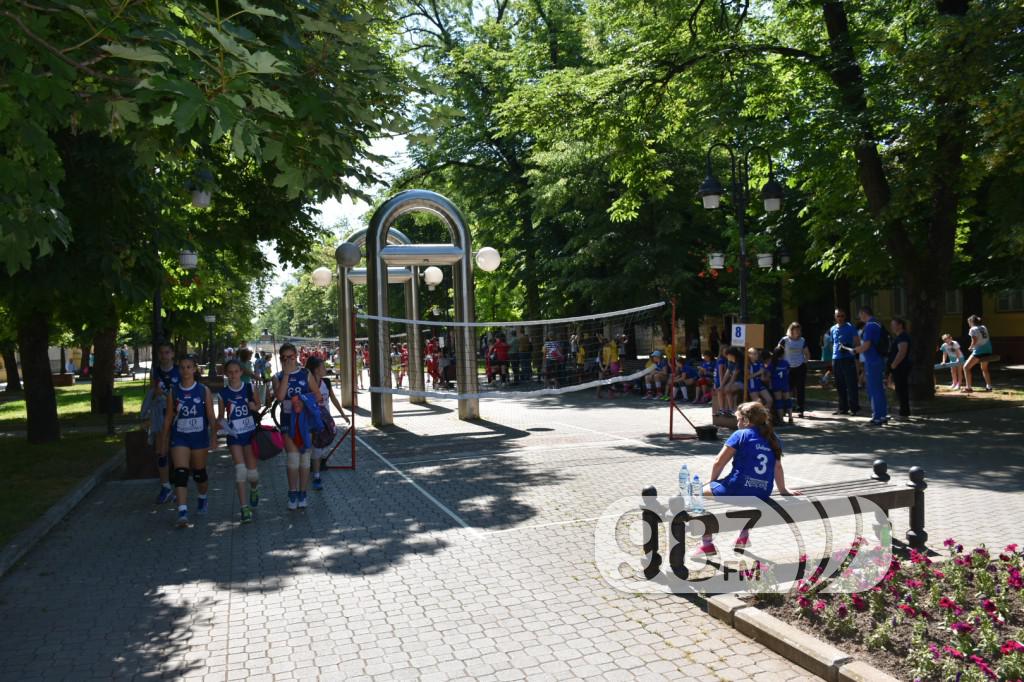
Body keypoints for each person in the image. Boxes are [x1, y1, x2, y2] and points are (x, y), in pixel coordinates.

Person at [692, 401, 801, 557]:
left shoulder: (740, 435)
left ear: (746, 421)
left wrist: (711, 482)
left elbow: (718, 462)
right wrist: (783, 490)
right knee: (750, 502)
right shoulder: (773, 437)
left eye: (738, 419)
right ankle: (743, 537)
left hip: (737, 488)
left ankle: (707, 544)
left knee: (697, 493)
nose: (737, 423)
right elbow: (777, 467)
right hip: (763, 492)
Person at [159, 354, 217, 528]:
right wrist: (163, 441)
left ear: (194, 369)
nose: (185, 371)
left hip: (199, 437)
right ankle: (182, 513)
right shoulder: (173, 391)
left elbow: (211, 417)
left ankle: (202, 497)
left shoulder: (203, 390)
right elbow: (168, 418)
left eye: (188, 367)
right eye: (182, 367)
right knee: (181, 473)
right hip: (180, 437)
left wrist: (214, 437)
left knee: (199, 474)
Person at [273, 343, 315, 510]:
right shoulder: (277, 376)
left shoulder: (306, 373)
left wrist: (304, 401)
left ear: (296, 356)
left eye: (291, 357)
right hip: (287, 421)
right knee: (293, 458)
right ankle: (292, 492)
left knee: (304, 458)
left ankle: (303, 493)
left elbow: (317, 396)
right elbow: (280, 396)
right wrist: (287, 375)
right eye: (284, 358)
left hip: (305, 421)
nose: (288, 360)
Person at [218, 359, 261, 523]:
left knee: (252, 474)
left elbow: (258, 405)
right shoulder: (223, 394)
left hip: (250, 434)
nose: (233, 375)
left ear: (241, 372)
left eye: (236, 371)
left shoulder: (250, 387)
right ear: (226, 374)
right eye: (230, 372)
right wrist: (220, 427)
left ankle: (254, 489)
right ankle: (244, 508)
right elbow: (221, 417)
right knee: (240, 470)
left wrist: (254, 406)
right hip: (234, 436)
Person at [305, 356, 349, 491]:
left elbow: (334, 399)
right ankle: (316, 476)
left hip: (326, 420)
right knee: (315, 448)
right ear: (316, 369)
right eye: (323, 367)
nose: (325, 369)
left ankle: (315, 463)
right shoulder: (307, 384)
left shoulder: (326, 382)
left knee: (323, 445)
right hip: (313, 420)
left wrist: (343, 414)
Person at [854, 306, 887, 426]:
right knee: (880, 389)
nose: (859, 317)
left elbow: (866, 345)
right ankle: (883, 415)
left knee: (873, 390)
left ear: (863, 313)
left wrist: (855, 350)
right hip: (878, 359)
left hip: (872, 361)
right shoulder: (877, 324)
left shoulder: (869, 326)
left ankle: (876, 417)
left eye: (859, 314)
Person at [829, 309, 860, 416]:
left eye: (842, 316)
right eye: (838, 316)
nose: (840, 318)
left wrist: (848, 346)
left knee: (851, 384)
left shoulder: (851, 327)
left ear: (845, 316)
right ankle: (842, 408)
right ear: (835, 317)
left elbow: (857, 342)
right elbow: (833, 343)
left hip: (848, 358)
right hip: (836, 359)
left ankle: (854, 408)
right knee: (839, 384)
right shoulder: (832, 329)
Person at [779, 323, 810, 417]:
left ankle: (801, 409)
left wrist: (805, 361)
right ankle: (785, 409)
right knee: (787, 389)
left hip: (800, 367)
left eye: (798, 330)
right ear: (791, 330)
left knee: (800, 389)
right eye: (795, 329)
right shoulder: (785, 340)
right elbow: (778, 351)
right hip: (787, 368)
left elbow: (807, 353)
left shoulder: (802, 340)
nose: (797, 331)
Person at [962, 314, 994, 393]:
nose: (969, 324)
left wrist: (970, 347)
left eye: (969, 322)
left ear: (971, 322)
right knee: (984, 369)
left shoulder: (972, 329)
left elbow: (974, 340)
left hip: (980, 351)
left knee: (966, 367)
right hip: (988, 350)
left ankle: (968, 388)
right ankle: (989, 387)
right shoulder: (983, 327)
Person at [889, 318, 911, 419]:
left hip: (901, 367)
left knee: (902, 390)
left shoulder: (903, 337)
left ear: (900, 325)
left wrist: (894, 364)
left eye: (894, 325)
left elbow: (902, 352)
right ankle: (903, 412)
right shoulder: (899, 337)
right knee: (900, 389)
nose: (892, 327)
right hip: (899, 367)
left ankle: (904, 413)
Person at [768, 346, 792, 425]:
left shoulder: (772, 363)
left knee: (779, 401)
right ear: (783, 354)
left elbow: (769, 375)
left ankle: (781, 419)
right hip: (785, 384)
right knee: (787, 400)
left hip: (776, 384)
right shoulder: (786, 363)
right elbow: (788, 372)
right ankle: (790, 417)